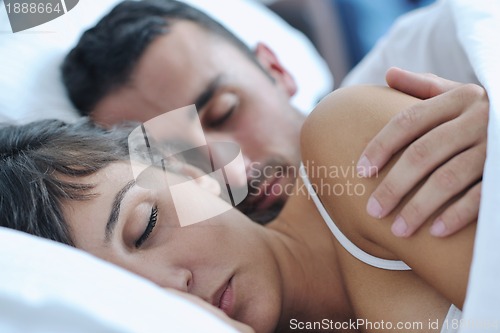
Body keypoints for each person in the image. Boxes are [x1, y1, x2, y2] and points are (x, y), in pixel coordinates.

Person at [0, 84, 479, 333]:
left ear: (190, 176)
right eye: (129, 294)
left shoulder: (346, 142)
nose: (172, 288)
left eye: (145, 227)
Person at [61, 0, 487, 236]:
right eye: (173, 158)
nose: (234, 174)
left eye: (225, 111)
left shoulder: (442, 53)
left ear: (276, 69)